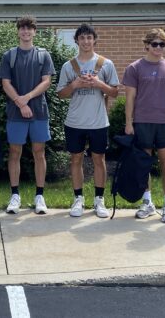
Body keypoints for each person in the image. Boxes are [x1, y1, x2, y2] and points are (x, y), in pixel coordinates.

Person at [122, 28, 165, 223]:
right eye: (155, 44)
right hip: (142, 122)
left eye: (163, 44)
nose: (159, 48)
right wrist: (129, 123)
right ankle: (147, 203)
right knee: (143, 164)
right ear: (147, 45)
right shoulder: (134, 68)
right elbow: (130, 97)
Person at [57, 24, 119, 218]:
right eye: (82, 38)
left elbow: (115, 92)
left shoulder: (105, 63)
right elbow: (60, 94)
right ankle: (78, 199)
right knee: (76, 159)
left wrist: (98, 83)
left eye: (89, 38)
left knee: (99, 160)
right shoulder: (69, 66)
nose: (86, 42)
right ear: (77, 41)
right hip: (75, 122)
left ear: (94, 40)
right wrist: (75, 84)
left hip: (99, 122)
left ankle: (99, 200)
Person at [0, 16, 56, 214]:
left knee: (39, 153)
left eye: (29, 29)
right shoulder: (9, 55)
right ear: (18, 32)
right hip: (16, 113)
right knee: (15, 153)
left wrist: (27, 98)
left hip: (39, 112)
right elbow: (6, 83)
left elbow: (46, 81)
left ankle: (39, 195)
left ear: (34, 32)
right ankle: (15, 195)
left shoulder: (43, 55)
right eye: (22, 29)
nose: (25, 32)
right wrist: (20, 103)